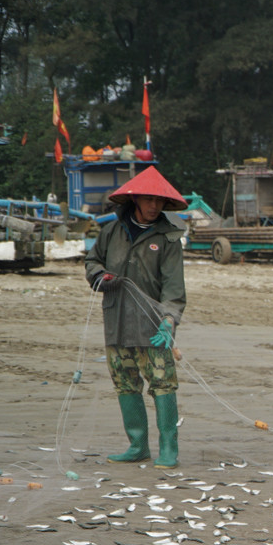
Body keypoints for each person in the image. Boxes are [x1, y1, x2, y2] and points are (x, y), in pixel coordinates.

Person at [84, 165, 187, 469]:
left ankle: (169, 448)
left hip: (153, 325)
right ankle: (137, 444)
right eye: (148, 200)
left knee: (163, 384)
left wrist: (169, 320)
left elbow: (173, 287)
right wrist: (100, 275)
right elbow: (92, 261)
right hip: (116, 322)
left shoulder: (168, 239)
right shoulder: (111, 232)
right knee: (125, 383)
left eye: (159, 201)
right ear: (136, 200)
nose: (154, 206)